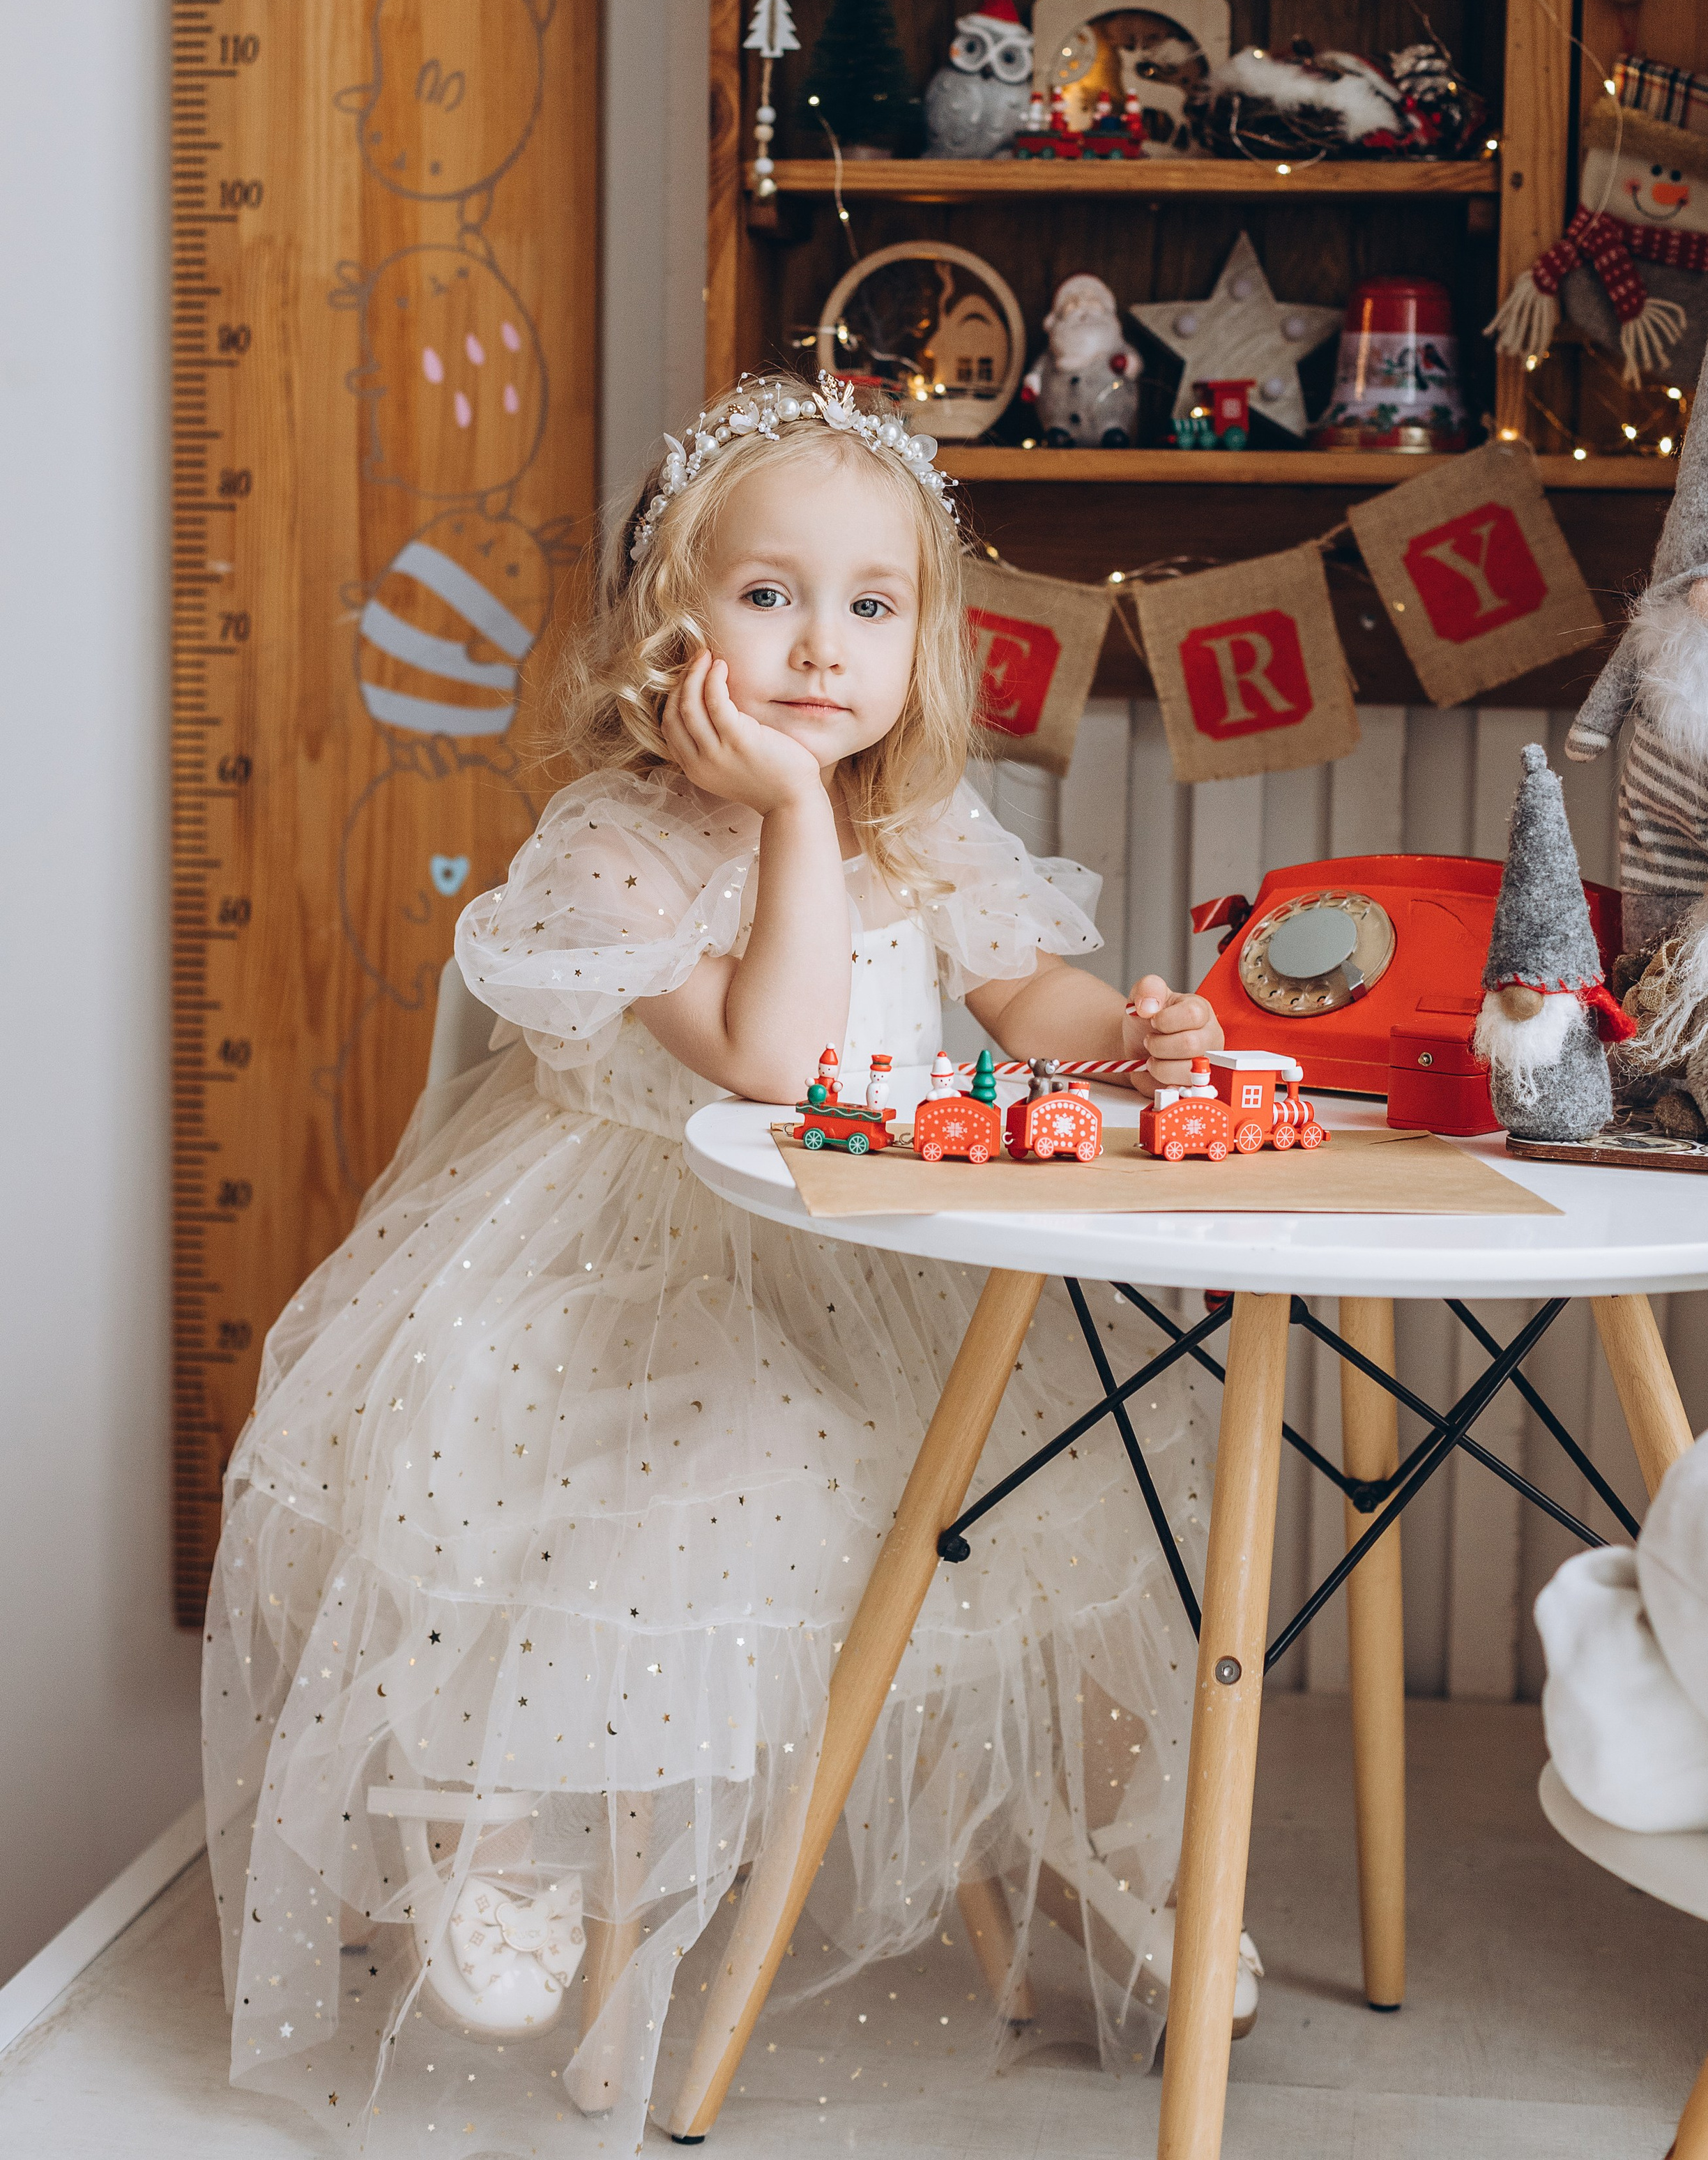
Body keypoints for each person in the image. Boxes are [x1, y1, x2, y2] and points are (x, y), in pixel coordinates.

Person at [203, 372, 1227, 2154]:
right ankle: (509, 1826)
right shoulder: (609, 847)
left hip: (868, 1273)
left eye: (869, 604)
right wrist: (788, 812)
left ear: (923, 637)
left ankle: (1119, 1864)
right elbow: (777, 1058)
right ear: (670, 622)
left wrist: (1125, 1034)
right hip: (622, 1278)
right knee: (694, 1484)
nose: (819, 647)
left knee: (1070, 1516)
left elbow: (1022, 995)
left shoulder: (928, 833)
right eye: (767, 596)